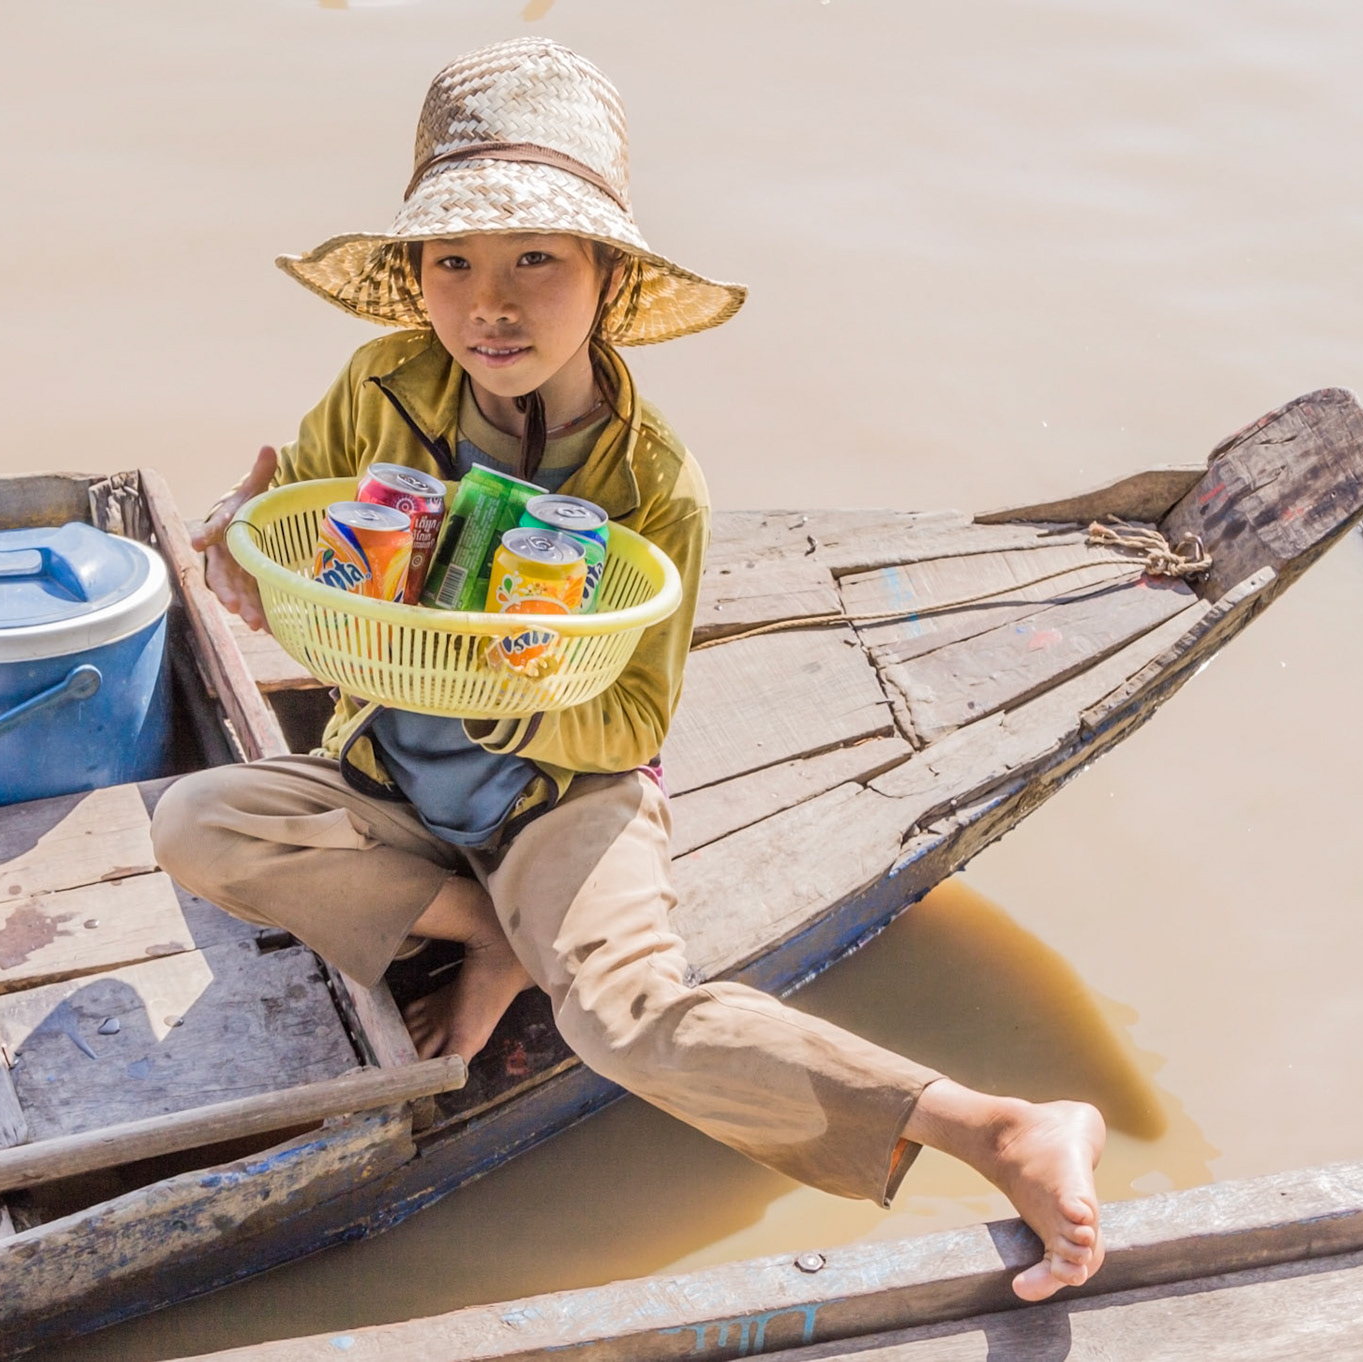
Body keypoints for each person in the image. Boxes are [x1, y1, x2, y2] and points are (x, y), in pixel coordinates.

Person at [154, 37, 1106, 1301]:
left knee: (619, 1018)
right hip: (392, 768)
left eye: (537, 259)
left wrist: (504, 692)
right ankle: (499, 936)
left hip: (564, 797)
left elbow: (637, 718)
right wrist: (239, 544)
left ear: (609, 278)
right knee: (197, 823)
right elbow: (310, 532)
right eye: (453, 261)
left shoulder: (654, 482)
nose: (490, 305)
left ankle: (997, 1125)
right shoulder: (381, 382)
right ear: (417, 277)